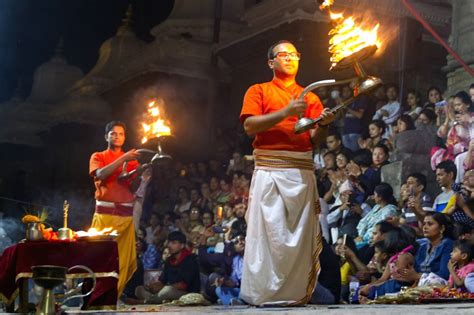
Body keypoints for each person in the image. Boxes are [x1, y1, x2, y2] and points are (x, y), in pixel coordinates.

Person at [239, 40, 334, 305]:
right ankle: (262, 293)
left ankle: (296, 293)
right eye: (284, 54)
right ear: (271, 62)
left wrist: (324, 125)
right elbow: (250, 126)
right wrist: (286, 112)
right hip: (270, 168)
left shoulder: (310, 96)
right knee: (270, 235)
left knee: (300, 238)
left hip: (301, 171)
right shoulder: (258, 90)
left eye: (294, 54)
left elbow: (315, 140)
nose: (290, 58)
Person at [89, 121, 146, 295]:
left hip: (125, 215)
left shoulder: (132, 161)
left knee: (123, 260)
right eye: (113, 133)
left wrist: (144, 176)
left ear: (124, 137)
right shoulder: (98, 156)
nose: (117, 137)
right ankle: (96, 295)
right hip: (104, 215)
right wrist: (123, 158)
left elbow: (132, 186)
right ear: (106, 136)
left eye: (121, 134)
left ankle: (113, 296)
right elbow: (100, 174)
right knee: (99, 256)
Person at [135, 231, 200, 303]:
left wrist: (162, 288)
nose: (169, 245)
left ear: (182, 245)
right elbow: (162, 280)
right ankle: (155, 300)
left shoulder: (190, 259)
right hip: (167, 291)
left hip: (186, 293)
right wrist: (153, 286)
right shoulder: (169, 260)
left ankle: (148, 300)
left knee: (167, 291)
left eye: (173, 243)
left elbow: (184, 285)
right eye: (169, 242)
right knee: (139, 289)